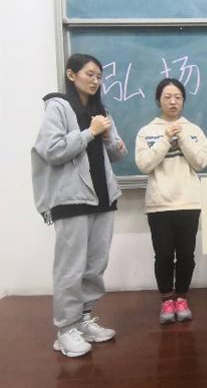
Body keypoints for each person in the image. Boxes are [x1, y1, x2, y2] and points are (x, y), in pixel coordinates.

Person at [31, 53, 127, 357]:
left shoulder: (101, 111)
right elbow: (52, 150)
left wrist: (109, 138)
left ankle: (83, 320)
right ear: (71, 75)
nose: (95, 80)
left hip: (103, 197)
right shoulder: (58, 106)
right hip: (71, 199)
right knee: (70, 268)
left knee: (95, 265)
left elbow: (116, 155)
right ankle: (65, 330)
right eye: (89, 74)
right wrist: (90, 132)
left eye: (99, 76)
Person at [135, 78, 207, 324]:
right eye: (167, 97)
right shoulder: (147, 131)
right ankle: (167, 301)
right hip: (159, 203)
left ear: (184, 101)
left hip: (189, 202)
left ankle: (182, 298)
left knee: (187, 255)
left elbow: (201, 162)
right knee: (164, 255)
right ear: (159, 100)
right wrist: (166, 138)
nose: (172, 101)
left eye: (178, 97)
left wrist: (183, 137)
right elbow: (144, 164)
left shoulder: (194, 130)